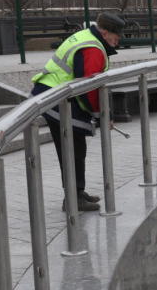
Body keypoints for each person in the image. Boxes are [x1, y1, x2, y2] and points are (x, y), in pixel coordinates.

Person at [31, 12, 125, 212]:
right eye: (116, 38)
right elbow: (89, 87)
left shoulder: (88, 38)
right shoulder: (93, 48)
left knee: (75, 146)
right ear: (105, 32)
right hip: (56, 98)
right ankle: (73, 198)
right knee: (72, 148)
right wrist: (101, 114)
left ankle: (77, 193)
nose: (117, 43)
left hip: (56, 94)